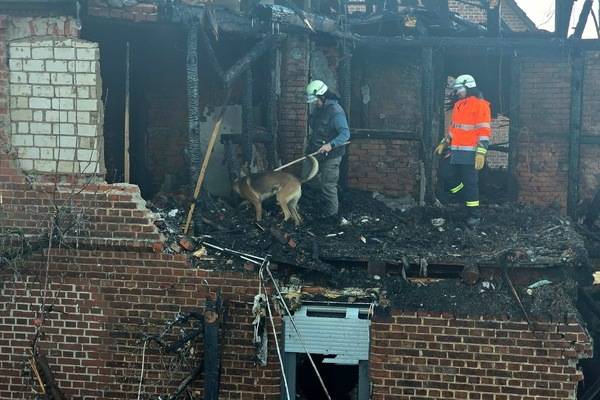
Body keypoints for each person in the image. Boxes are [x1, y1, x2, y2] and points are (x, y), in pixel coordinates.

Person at [435, 74, 491, 227]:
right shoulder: (459, 105)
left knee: (471, 183)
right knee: (445, 173)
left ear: (469, 87)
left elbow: (484, 131)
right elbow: (454, 128)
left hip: (471, 153)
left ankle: (474, 215)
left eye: (459, 88)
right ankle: (461, 195)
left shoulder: (481, 105)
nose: (457, 92)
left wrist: (481, 152)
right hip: (456, 151)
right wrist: (445, 142)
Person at [304, 80, 350, 224]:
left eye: (316, 100)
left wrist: (330, 145)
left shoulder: (336, 112)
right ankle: (319, 201)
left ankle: (332, 216)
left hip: (332, 155)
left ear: (323, 96)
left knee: (328, 185)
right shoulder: (318, 109)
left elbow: (345, 134)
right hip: (315, 152)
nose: (314, 104)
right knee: (306, 177)